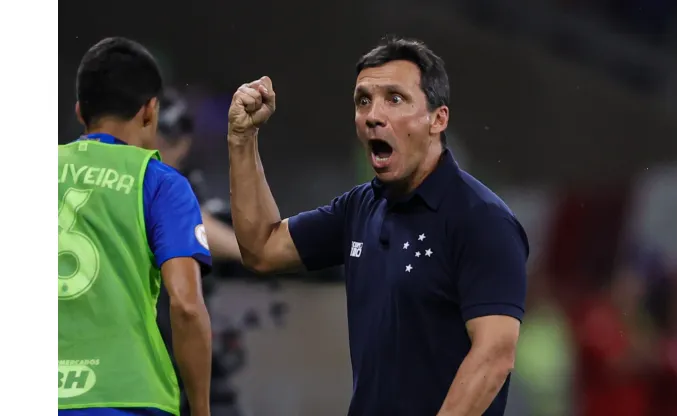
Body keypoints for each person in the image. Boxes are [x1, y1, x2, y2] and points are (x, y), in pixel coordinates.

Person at [227, 36, 528, 415]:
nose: (372, 115)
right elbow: (262, 249)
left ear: (438, 118)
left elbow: (495, 355)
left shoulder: (482, 219)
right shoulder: (359, 208)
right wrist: (242, 139)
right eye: (363, 100)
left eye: (394, 99)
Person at [58, 37, 212, 416]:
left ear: (80, 111)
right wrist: (202, 408)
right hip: (130, 394)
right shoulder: (160, 182)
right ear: (150, 111)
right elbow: (187, 305)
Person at [155, 89, 242, 262]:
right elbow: (183, 220)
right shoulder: (124, 177)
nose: (157, 151)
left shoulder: (189, 180)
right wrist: (258, 256)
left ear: (184, 143)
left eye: (167, 143)